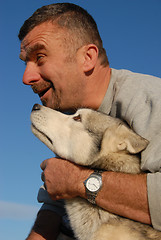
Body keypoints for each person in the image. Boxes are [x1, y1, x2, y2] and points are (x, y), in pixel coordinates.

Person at [18, 3, 161, 240]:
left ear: (87, 57)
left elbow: (69, 182)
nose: (26, 77)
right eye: (25, 62)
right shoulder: (72, 117)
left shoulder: (150, 100)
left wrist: (78, 181)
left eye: (40, 57)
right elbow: (53, 207)